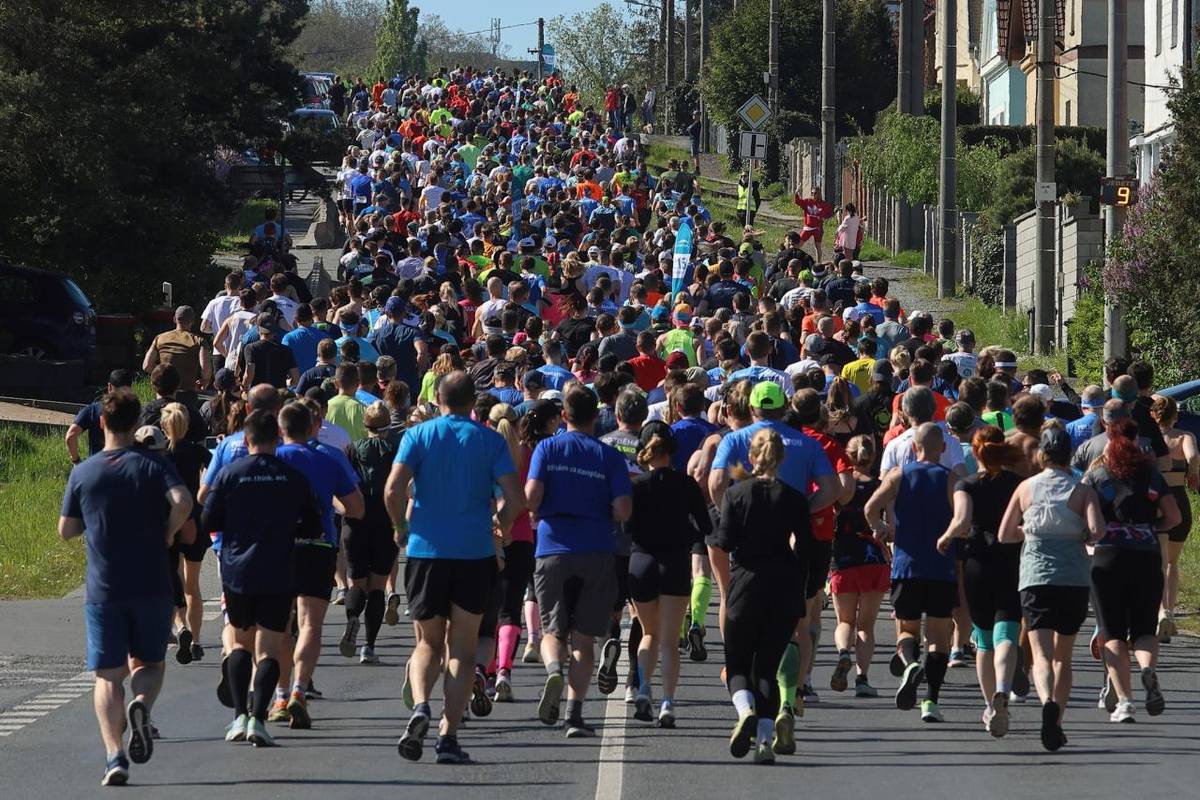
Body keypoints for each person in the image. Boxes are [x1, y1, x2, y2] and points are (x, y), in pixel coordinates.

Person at [386, 371, 524, 763]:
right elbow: (514, 498)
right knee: (463, 648)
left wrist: (400, 527)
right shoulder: (489, 440)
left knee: (427, 642)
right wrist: (503, 524)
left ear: (440, 399)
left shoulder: (418, 435)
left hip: (426, 551)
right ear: (470, 401)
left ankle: (420, 707)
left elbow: (393, 490)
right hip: (474, 551)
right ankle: (448, 734)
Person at [58, 388, 192, 786]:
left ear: (101, 423)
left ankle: (114, 754)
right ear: (136, 425)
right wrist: (168, 531)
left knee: (107, 676)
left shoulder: (85, 472)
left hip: (104, 588)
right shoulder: (153, 464)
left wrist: (93, 519)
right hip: (152, 582)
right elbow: (183, 500)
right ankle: (142, 704)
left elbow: (66, 530)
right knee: (149, 664)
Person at [201, 410, 322, 748]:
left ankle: (239, 715)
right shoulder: (292, 476)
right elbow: (313, 526)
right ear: (278, 439)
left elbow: (208, 518)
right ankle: (258, 717)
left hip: (237, 569)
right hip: (278, 569)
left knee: (239, 642)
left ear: (246, 439)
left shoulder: (229, 473)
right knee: (268, 647)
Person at [526, 383, 633, 738]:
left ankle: (554, 668)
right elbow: (622, 509)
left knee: (553, 629)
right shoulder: (609, 457)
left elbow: (532, 495)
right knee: (585, 638)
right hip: (597, 548)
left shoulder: (547, 447)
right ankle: (574, 713)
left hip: (553, 545)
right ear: (596, 416)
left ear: (564, 415)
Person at [997, 426, 1104, 751]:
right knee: (1063, 657)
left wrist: (1029, 530)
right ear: (1068, 454)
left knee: (1040, 655)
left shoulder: (1026, 488)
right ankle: (1056, 722)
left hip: (1036, 577)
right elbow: (1097, 530)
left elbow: (1004, 534)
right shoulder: (1082, 489)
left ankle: (1046, 702)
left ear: (1042, 454)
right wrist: (1081, 535)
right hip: (1072, 577)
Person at [711, 427, 813, 764]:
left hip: (746, 584)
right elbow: (807, 547)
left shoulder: (736, 495)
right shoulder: (795, 498)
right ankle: (765, 743)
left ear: (752, 456)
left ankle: (744, 711)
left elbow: (724, 543)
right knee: (767, 667)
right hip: (784, 587)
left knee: (738, 663)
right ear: (781, 459)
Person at [273, 402, 365, 730]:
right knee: (310, 623)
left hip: (278, 549)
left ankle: (280, 695)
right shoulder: (329, 456)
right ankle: (300, 688)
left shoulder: (272, 457)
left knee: (281, 626)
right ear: (314, 426)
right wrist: (331, 504)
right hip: (319, 544)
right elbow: (356, 508)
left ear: (281, 428)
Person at [1082, 422, 1180, 723]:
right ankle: (1148, 669)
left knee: (1111, 631)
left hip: (1108, 557)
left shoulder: (1097, 475)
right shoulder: (1150, 474)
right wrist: (1150, 529)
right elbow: (1173, 517)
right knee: (1144, 629)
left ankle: (1125, 701)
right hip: (1146, 556)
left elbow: (1085, 520)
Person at [864, 422, 957, 724]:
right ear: (942, 448)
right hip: (941, 567)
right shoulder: (951, 479)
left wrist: (881, 528)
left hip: (906, 566)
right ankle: (931, 700)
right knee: (939, 639)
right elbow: (964, 517)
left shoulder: (899, 475)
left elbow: (870, 507)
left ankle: (909, 664)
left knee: (907, 631)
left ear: (914, 448)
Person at [936, 426, 1024, 737]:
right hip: (1011, 562)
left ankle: (990, 705)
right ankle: (1004, 687)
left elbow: (961, 522)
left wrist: (945, 538)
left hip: (977, 563)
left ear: (976, 452)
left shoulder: (966, 484)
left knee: (984, 640)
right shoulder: (1018, 483)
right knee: (1007, 635)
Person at [626, 422, 711, 728]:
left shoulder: (636, 485)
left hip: (642, 561)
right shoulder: (686, 485)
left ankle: (643, 689)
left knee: (648, 632)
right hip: (674, 562)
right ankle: (667, 702)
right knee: (669, 642)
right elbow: (706, 526)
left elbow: (626, 527)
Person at [340, 402, 401, 665]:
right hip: (384, 524)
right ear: (388, 427)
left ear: (365, 426)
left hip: (354, 522)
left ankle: (352, 616)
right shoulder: (394, 451)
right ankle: (369, 645)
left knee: (356, 582)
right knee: (377, 586)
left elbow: (341, 484)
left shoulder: (351, 450)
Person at [828, 434, 888, 699]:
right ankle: (862, 679)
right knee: (866, 625)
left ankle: (843, 652)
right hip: (873, 557)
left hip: (843, 557)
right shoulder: (880, 485)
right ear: (872, 457)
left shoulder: (840, 487)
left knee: (845, 621)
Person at [157, 403, 212, 665]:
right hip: (195, 519)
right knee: (193, 585)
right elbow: (211, 478)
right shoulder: (198, 451)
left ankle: (180, 627)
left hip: (170, 519)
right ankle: (198, 640)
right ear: (187, 424)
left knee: (173, 580)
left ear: (163, 426)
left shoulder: (160, 455)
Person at [142, 305, 211, 400]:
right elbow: (206, 370)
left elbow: (146, 366)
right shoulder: (198, 340)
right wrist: (205, 381)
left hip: (164, 393)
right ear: (193, 321)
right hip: (187, 393)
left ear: (174, 319)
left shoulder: (159, 338)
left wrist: (162, 374)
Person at [67, 369, 135, 464]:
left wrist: (76, 460)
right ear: (130, 389)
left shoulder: (94, 410)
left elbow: (71, 435)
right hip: (127, 466)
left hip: (97, 465)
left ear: (109, 387)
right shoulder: (135, 411)